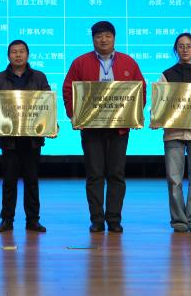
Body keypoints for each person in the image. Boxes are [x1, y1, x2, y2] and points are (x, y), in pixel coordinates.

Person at [62, 21, 146, 233]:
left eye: (108, 35)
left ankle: (114, 219)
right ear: (93, 39)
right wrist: (74, 115)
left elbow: (140, 90)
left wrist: (134, 114)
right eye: (99, 36)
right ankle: (97, 219)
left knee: (116, 174)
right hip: (91, 129)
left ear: (114, 38)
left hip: (119, 129)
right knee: (95, 174)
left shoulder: (128, 62)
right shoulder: (80, 62)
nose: (103, 40)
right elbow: (68, 89)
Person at [0, 40, 53, 233]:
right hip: (9, 139)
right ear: (8, 56)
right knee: (9, 182)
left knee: (32, 181)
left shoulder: (39, 77)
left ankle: (33, 220)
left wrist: (52, 124)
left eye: (22, 51)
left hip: (32, 139)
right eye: (14, 52)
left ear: (28, 55)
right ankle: (7, 219)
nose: (18, 55)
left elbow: (47, 104)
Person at [157, 33, 191, 233]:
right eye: (181, 46)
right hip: (173, 133)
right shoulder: (166, 75)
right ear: (175, 49)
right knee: (174, 179)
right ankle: (179, 220)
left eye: (188, 46)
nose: (185, 49)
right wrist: (157, 119)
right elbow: (160, 103)